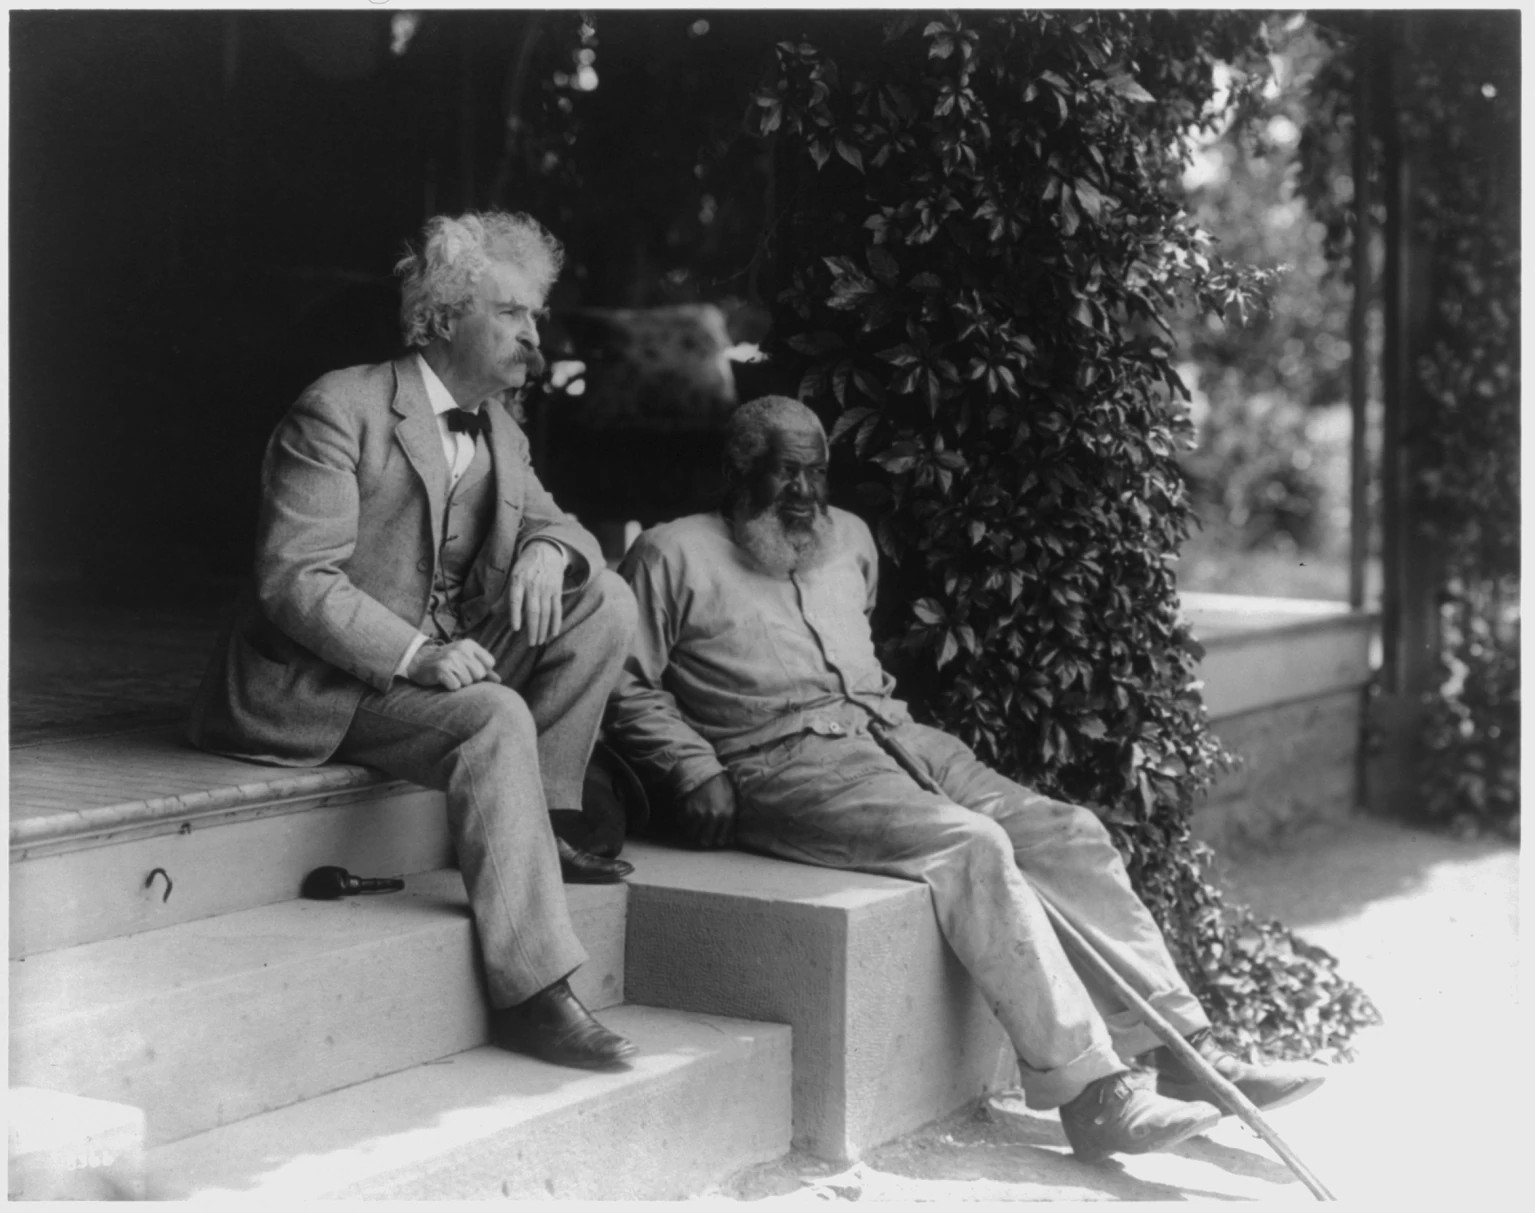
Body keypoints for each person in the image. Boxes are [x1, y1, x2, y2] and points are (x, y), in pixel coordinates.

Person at [606, 394, 1326, 1160]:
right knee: (970, 845)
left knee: (1069, 831)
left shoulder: (848, 538)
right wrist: (693, 765)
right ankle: (1092, 1095)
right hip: (780, 762)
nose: (805, 494)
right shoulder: (670, 553)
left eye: (817, 473)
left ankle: (1187, 1053)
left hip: (898, 737)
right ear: (737, 469)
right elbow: (622, 680)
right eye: (785, 474)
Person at [189, 210, 637, 1071]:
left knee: (603, 598)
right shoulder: (339, 407)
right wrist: (419, 655)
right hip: (327, 681)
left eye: (534, 316)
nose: (532, 335)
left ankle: (534, 824)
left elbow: (567, 527)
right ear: (441, 315)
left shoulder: (499, 424)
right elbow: (296, 579)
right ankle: (535, 990)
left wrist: (548, 550)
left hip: (439, 659)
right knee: (493, 714)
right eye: (511, 313)